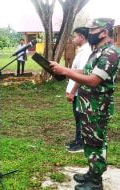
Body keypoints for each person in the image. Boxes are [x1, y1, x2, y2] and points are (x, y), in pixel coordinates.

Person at [50, 18, 120, 190]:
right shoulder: (97, 51)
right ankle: (92, 172)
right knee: (89, 141)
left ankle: (96, 181)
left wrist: (65, 71)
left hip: (98, 107)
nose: (89, 33)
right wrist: (63, 69)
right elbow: (87, 71)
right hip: (88, 105)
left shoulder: (110, 53)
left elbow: (93, 80)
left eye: (93, 30)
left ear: (104, 32)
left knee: (96, 142)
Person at [65, 27, 92, 153]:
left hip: (79, 91)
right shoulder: (81, 50)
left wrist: (72, 91)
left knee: (81, 117)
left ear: (82, 37)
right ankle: (77, 139)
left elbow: (81, 75)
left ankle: (81, 143)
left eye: (75, 36)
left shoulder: (86, 52)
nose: (73, 39)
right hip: (75, 91)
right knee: (77, 117)